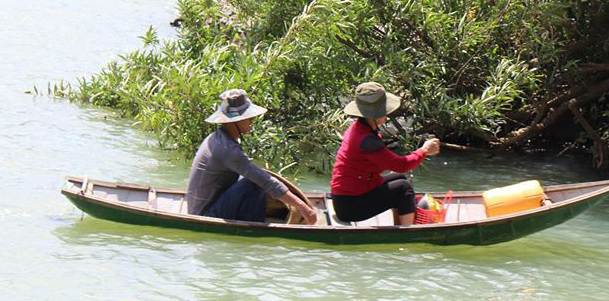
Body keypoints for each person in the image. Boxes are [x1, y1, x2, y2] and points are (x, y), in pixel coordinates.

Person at [186, 89, 317, 225]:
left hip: (207, 207)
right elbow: (265, 181)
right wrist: (304, 208)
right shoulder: (227, 149)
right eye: (248, 118)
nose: (252, 120)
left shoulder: (219, 138)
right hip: (204, 216)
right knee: (254, 182)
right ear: (235, 121)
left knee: (255, 179)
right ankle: (256, 226)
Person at [330, 82, 440, 225]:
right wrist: (424, 150)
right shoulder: (367, 140)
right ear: (374, 114)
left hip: (346, 197)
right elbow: (401, 165)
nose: (387, 113)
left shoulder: (359, 128)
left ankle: (400, 224)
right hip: (349, 206)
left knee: (400, 178)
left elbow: (384, 164)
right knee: (403, 188)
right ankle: (408, 233)